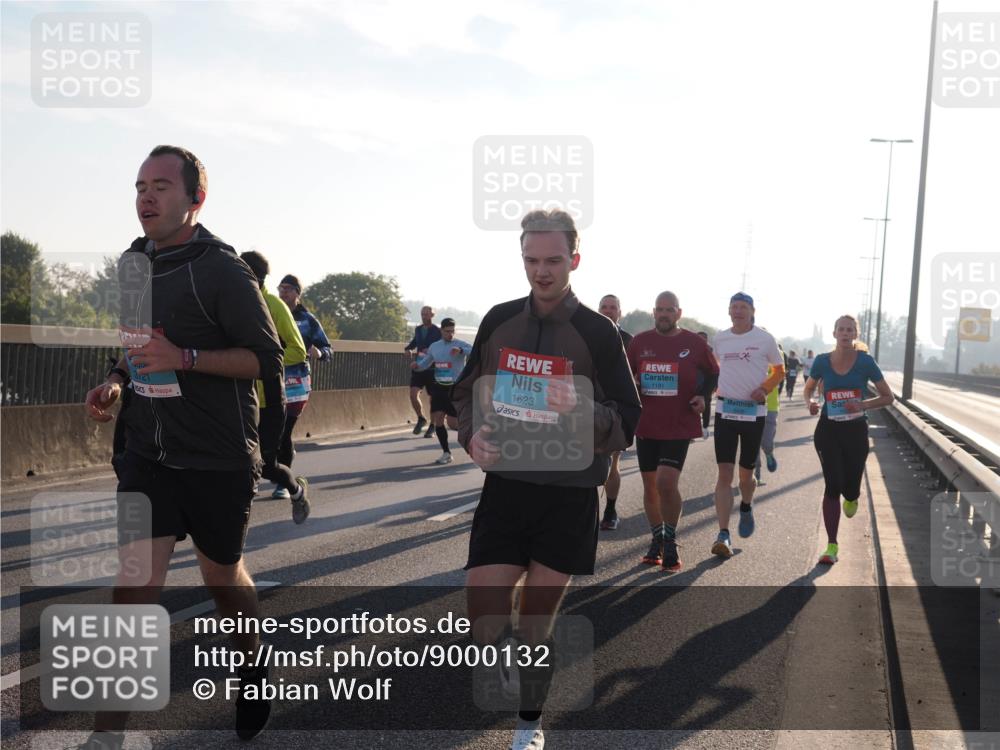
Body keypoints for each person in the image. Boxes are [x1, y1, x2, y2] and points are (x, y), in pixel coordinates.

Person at [83, 145, 283, 747]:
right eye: (140, 185)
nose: (146, 196)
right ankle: (107, 735)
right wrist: (118, 380)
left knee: (222, 578)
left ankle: (253, 665)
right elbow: (138, 343)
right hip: (149, 454)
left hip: (217, 457)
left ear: (195, 199)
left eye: (161, 186)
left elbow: (267, 360)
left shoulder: (223, 269)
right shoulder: (131, 264)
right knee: (132, 588)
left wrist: (186, 359)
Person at [452, 209, 641, 750]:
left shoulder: (598, 332)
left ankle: (529, 724)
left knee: (537, 620)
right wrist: (471, 438)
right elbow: (464, 392)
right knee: (484, 608)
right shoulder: (499, 320)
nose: (542, 271)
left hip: (568, 494)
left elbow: (627, 420)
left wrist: (580, 408)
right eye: (532, 260)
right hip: (507, 489)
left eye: (553, 260)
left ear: (574, 260)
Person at [627, 292, 718, 571]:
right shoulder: (640, 343)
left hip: (679, 424)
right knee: (650, 487)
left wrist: (703, 396)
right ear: (654, 312)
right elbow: (624, 375)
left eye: (669, 310)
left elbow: (713, 374)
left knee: (666, 483)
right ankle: (657, 541)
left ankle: (670, 539)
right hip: (647, 423)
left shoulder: (694, 343)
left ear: (678, 313)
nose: (664, 314)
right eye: (659, 310)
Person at [804, 316, 892, 564]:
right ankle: (831, 546)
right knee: (832, 485)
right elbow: (809, 388)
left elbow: (888, 397)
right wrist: (810, 402)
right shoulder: (822, 361)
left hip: (855, 431)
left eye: (849, 329)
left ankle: (852, 496)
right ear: (834, 333)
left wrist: (862, 404)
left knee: (849, 487)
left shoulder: (865, 362)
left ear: (855, 334)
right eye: (841, 329)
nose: (845, 333)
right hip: (827, 430)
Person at [710, 293, 785, 558]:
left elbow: (779, 370)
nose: (738, 311)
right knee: (724, 474)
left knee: (745, 475)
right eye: (734, 307)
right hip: (726, 412)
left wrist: (764, 388)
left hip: (754, 414)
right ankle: (723, 533)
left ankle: (746, 504)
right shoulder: (720, 339)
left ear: (752, 311)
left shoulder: (765, 339)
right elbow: (715, 368)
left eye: (743, 307)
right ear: (728, 311)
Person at [240, 251, 310, 523]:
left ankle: (297, 490)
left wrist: (261, 362)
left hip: (269, 399)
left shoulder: (274, 305)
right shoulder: (233, 303)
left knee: (268, 466)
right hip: (239, 399)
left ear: (254, 276)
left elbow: (298, 351)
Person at [276, 273, 333, 487]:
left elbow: (328, 349)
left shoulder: (308, 320)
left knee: (284, 431)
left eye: (288, 289)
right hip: (270, 380)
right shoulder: (269, 313)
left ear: (297, 293)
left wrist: (320, 353)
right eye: (281, 288)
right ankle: (280, 461)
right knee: (270, 431)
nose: (283, 292)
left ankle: (283, 482)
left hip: (296, 383)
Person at [411, 317, 472, 464]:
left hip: (455, 388)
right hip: (439, 387)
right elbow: (426, 362)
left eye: (452, 331)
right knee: (438, 420)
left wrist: (462, 350)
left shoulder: (459, 344)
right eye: (447, 331)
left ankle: (473, 439)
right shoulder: (434, 346)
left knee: (453, 424)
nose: (450, 334)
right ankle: (446, 453)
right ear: (441, 331)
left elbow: (475, 350)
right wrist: (417, 366)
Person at [597, 293, 633, 530]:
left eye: (613, 307)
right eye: (604, 307)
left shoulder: (629, 340)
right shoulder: (586, 332)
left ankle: (610, 509)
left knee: (612, 461)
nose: (608, 310)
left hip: (616, 408)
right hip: (586, 405)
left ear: (620, 312)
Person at [404, 305, 441, 436]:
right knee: (413, 394)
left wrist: (431, 351)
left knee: (432, 399)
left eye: (426, 314)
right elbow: (415, 342)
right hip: (419, 367)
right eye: (422, 314)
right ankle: (421, 418)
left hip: (432, 368)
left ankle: (433, 425)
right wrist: (408, 349)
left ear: (432, 315)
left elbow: (442, 347)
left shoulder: (438, 331)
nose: (424, 316)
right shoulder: (418, 329)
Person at [753, 364, 781, 483]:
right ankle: (756, 474)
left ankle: (769, 452)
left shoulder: (775, 356)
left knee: (767, 442)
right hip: (752, 407)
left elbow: (780, 375)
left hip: (771, 407)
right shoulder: (748, 356)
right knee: (753, 443)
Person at [697, 330, 717, 439]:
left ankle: (704, 427)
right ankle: (694, 429)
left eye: (702, 338)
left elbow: (716, 370)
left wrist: (715, 386)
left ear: (706, 340)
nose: (700, 340)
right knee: (693, 406)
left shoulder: (711, 351)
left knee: (706, 405)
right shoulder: (690, 349)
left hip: (707, 384)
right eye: (698, 338)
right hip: (694, 384)